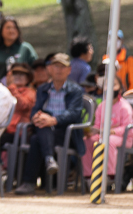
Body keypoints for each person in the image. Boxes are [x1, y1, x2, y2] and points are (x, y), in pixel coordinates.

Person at [15, 53, 84, 195]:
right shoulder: (42, 89)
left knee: (37, 138)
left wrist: (53, 120)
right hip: (45, 128)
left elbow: (74, 113)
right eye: (56, 66)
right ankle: (49, 159)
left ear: (69, 70)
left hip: (66, 132)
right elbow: (35, 110)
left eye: (63, 67)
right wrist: (36, 117)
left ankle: (28, 182)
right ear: (50, 69)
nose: (59, 70)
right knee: (38, 133)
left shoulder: (76, 90)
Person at [81, 76, 133, 183]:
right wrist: (92, 131)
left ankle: (110, 175)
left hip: (123, 138)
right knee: (87, 141)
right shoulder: (102, 106)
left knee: (109, 141)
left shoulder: (124, 106)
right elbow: (98, 125)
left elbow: (127, 127)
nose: (109, 88)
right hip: (103, 135)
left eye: (113, 85)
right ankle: (88, 175)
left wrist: (112, 131)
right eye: (106, 85)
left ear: (120, 89)